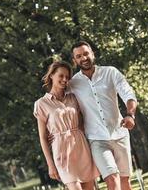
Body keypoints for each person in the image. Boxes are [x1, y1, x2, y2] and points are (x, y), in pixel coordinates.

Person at [68, 41, 137, 190]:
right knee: (112, 179)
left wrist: (130, 115)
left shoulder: (110, 72)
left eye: (86, 53)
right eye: (78, 56)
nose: (83, 58)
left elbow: (128, 94)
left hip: (120, 134)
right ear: (75, 61)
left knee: (125, 182)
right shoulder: (73, 84)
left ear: (92, 53)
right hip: (96, 139)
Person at [33, 61, 99, 190]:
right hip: (61, 151)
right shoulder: (41, 104)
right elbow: (42, 137)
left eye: (67, 77)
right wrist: (50, 164)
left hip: (81, 147)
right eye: (61, 76)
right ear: (51, 75)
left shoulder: (74, 98)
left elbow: (83, 124)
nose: (65, 80)